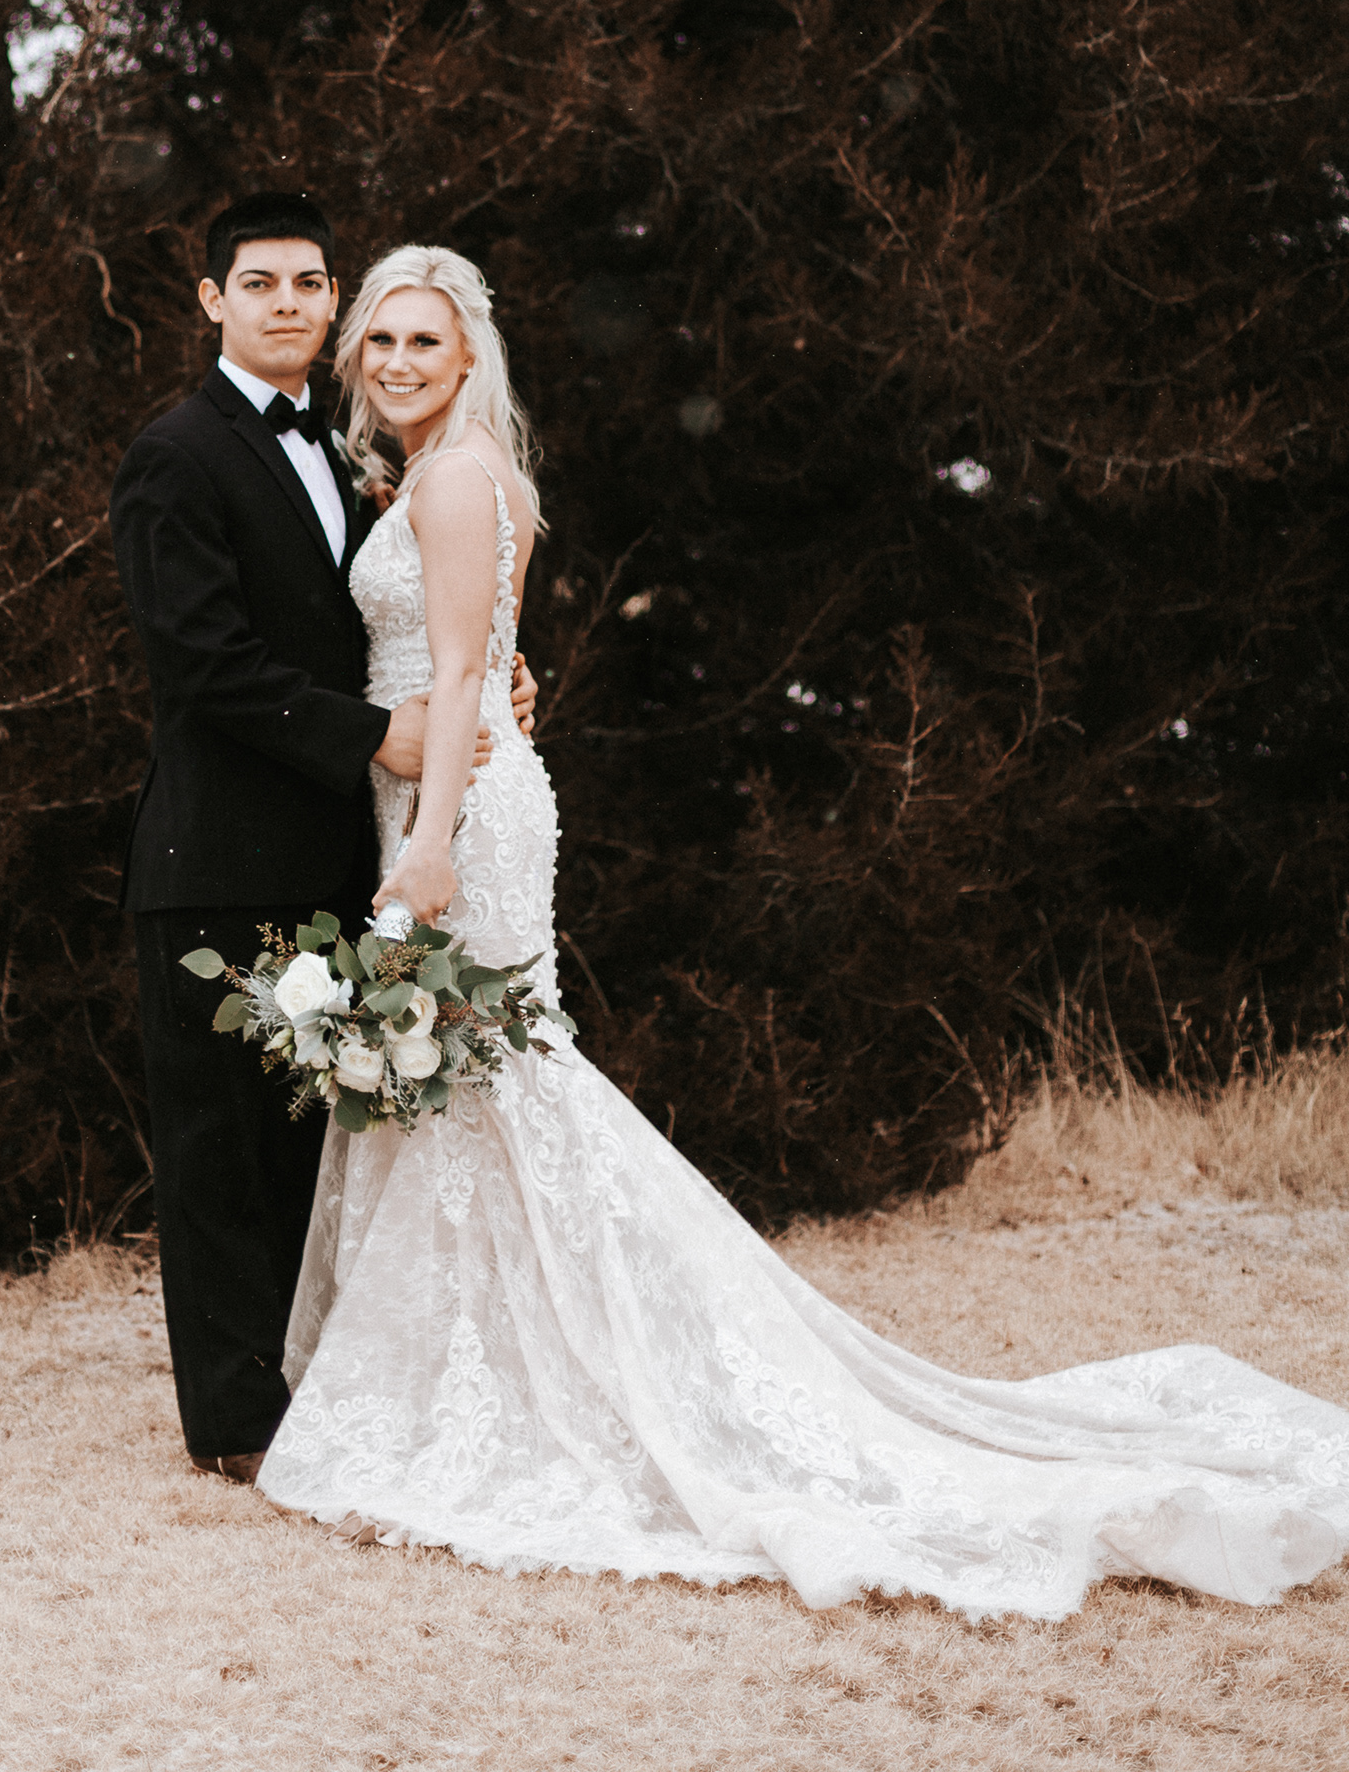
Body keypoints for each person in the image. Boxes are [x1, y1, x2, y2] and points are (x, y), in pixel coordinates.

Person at [256, 243, 1349, 1618]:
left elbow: (469, 662)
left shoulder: (461, 477)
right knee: (475, 1077)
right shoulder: (433, 476)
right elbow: (493, 651)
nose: (400, 361)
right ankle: (488, 1371)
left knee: (490, 1071)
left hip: (457, 813)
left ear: (470, 357)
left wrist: (426, 841)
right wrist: (468, 728)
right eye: (382, 341)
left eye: (426, 340)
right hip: (449, 787)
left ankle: (538, 1387)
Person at [109, 193, 534, 1483]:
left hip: (341, 854)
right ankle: (238, 1429)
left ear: (331, 299)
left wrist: (496, 682)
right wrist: (375, 738)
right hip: (217, 856)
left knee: (318, 1147)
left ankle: (321, 1393)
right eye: (259, 282)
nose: (286, 303)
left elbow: (415, 623)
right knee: (220, 1156)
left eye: (308, 283)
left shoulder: (363, 456)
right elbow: (201, 661)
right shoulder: (176, 454)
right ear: (213, 300)